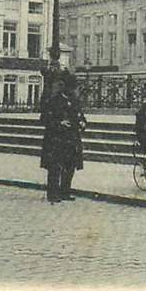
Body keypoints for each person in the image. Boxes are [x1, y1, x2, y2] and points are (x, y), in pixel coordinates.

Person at [40, 72, 86, 204]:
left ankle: (65, 191)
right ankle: (53, 194)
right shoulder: (54, 101)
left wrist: (83, 123)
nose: (75, 91)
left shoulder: (75, 102)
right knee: (55, 168)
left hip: (72, 139)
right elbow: (44, 119)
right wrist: (59, 123)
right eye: (73, 88)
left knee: (70, 167)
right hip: (56, 140)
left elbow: (81, 116)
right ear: (66, 88)